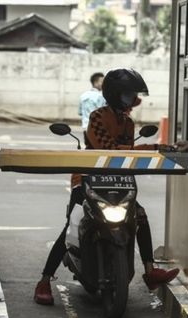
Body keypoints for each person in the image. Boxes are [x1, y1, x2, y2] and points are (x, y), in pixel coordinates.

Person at [34, 68, 179, 305]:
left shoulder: (129, 123)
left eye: (132, 94)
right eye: (127, 94)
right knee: (73, 219)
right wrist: (153, 148)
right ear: (115, 94)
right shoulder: (98, 117)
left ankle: (150, 271)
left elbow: (127, 156)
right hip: (88, 177)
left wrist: (162, 152)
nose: (131, 99)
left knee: (139, 215)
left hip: (118, 180)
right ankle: (44, 279)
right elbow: (110, 150)